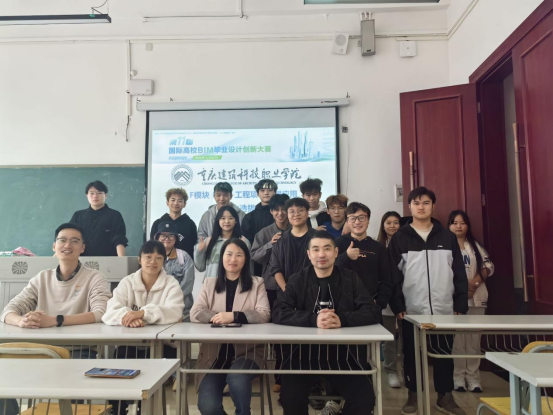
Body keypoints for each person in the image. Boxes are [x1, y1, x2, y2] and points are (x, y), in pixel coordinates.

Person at [273, 230, 382, 415]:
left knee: (364, 399)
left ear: (336, 252)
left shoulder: (350, 278)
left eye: (327, 248)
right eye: (316, 249)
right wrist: (313, 319)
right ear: (309, 254)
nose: (321, 254)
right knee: (289, 398)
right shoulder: (297, 279)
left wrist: (342, 319)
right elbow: (278, 312)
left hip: (343, 354)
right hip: (303, 354)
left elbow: (373, 311)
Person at [388, 187, 468, 415]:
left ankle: (445, 396)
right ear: (409, 206)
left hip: (444, 309)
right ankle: (413, 394)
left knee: (444, 355)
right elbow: (392, 277)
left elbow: (459, 273)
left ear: (433, 206)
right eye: (416, 203)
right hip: (411, 310)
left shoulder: (447, 237)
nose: (421, 207)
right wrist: (398, 306)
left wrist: (460, 304)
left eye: (425, 202)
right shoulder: (400, 238)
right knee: (411, 355)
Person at [102, 239, 184, 414]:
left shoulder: (171, 283)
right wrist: (129, 317)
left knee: (150, 375)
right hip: (129, 345)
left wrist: (142, 314)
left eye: (158, 258)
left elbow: (175, 311)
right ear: (139, 259)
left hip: (162, 347)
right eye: (148, 257)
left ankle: (144, 410)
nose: (153, 262)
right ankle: (118, 410)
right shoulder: (127, 282)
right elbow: (110, 310)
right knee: (118, 367)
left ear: (164, 262)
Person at [191, 238, 270, 415]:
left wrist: (234, 316)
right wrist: (219, 317)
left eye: (239, 255)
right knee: (208, 407)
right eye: (229, 254)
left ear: (245, 259)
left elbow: (264, 314)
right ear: (222, 258)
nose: (233, 259)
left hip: (248, 352)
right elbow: (195, 312)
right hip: (213, 356)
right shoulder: (210, 283)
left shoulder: (257, 283)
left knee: (237, 378)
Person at [1, 223, 111, 329]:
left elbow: (101, 313)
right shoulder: (42, 278)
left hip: (81, 341)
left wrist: (56, 320)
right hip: (46, 341)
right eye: (62, 240)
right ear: (54, 246)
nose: (67, 245)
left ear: (83, 248)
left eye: (74, 241)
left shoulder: (95, 278)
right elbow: (8, 311)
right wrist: (22, 321)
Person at [448, 210, 494, 393]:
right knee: (458, 341)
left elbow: (488, 266)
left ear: (467, 225)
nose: (458, 226)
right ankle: (458, 378)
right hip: (455, 299)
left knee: (474, 341)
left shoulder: (475, 246)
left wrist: (474, 282)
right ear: (449, 226)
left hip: (477, 297)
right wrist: (462, 285)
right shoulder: (445, 246)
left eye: (462, 223)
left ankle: (474, 379)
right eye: (454, 223)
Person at [376, 211, 403, 388]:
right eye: (388, 222)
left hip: (405, 296)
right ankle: (391, 370)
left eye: (396, 222)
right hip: (386, 296)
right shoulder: (378, 246)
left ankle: (407, 371)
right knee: (389, 338)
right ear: (383, 225)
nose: (392, 226)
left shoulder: (406, 244)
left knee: (406, 338)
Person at [250, 193, 291, 311]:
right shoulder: (263, 233)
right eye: (276, 210)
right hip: (271, 284)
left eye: (284, 209)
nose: (280, 213)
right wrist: (270, 244)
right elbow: (255, 256)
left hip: (292, 282)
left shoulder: (296, 230)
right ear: (271, 211)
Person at [69, 180, 128, 257]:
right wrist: (56, 258)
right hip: (81, 259)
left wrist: (121, 260)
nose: (95, 196)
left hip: (108, 259)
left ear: (105, 195)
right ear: (87, 195)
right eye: (91, 193)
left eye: (99, 193)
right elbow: (69, 236)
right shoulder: (78, 215)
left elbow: (119, 239)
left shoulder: (115, 215)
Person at [268, 197, 316, 292]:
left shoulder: (318, 237)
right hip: (286, 292)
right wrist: (287, 291)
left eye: (300, 210)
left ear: (307, 213)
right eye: (292, 211)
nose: (296, 214)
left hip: (314, 291)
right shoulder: (280, 240)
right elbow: (275, 268)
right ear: (287, 214)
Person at [153, 221, 195, 321]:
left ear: (175, 239)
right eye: (163, 235)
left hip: (183, 312)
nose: (167, 239)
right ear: (158, 238)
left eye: (171, 235)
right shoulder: (152, 258)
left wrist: (171, 300)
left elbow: (188, 285)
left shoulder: (184, 257)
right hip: (157, 311)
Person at [195, 206, 251, 278]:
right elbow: (200, 267)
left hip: (236, 283)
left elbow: (249, 269)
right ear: (218, 220)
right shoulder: (209, 241)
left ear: (236, 220)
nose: (227, 221)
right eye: (223, 218)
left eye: (230, 218)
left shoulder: (243, 241)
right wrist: (199, 251)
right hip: (212, 283)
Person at [150, 187, 198, 260]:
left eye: (180, 201)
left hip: (184, 262)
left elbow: (194, 245)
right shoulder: (158, 223)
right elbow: (152, 245)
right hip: (161, 261)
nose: (176, 203)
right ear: (167, 203)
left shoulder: (190, 224)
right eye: (173, 200)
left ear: (184, 204)